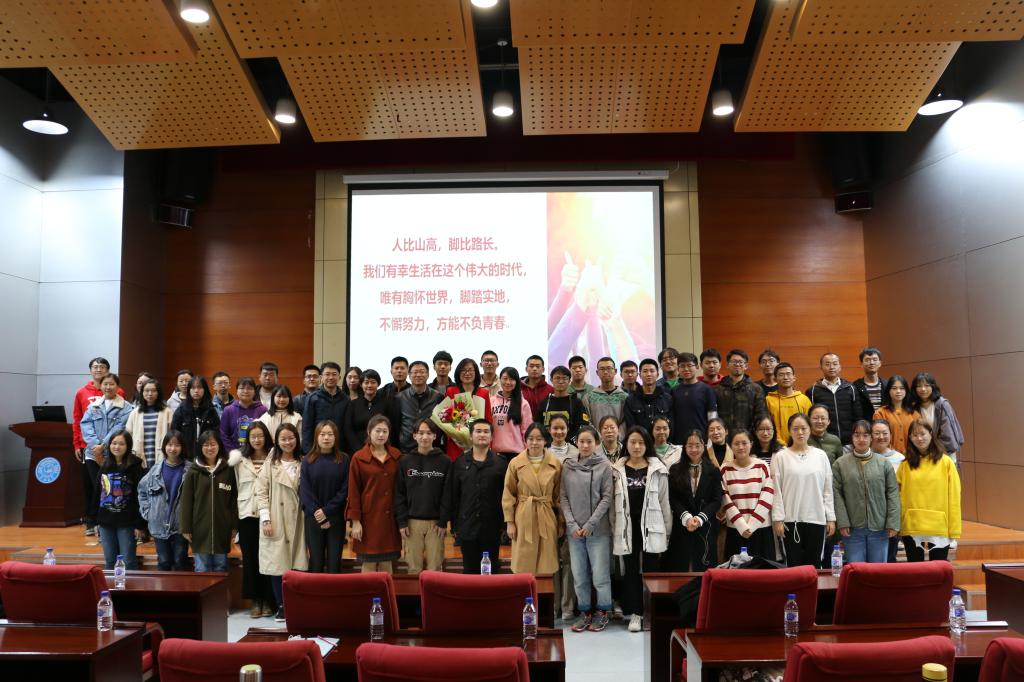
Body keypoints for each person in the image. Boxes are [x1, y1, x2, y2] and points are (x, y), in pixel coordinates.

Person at [612, 426, 671, 632]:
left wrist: (667, 531)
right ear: (626, 444)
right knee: (630, 571)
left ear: (647, 445)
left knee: (651, 570)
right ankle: (635, 613)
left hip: (652, 527)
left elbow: (664, 502)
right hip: (626, 528)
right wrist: (614, 529)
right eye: (633, 442)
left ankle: (651, 613)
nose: (637, 446)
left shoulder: (658, 469)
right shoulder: (616, 470)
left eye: (641, 442)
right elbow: (612, 506)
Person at [560, 425, 614, 633]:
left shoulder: (604, 466)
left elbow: (607, 498)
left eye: (589, 441)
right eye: (581, 441)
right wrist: (572, 524)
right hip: (574, 531)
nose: (584, 445)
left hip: (598, 530)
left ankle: (603, 611)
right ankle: (585, 611)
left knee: (600, 575)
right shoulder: (568, 465)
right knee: (579, 575)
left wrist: (591, 524)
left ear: (596, 444)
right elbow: (563, 496)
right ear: (576, 443)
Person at [440, 420, 507, 574]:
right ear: (471, 436)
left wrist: (504, 524)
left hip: (492, 528)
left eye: (486, 431)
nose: (482, 434)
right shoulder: (459, 463)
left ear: (492, 436)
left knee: (491, 571)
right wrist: (455, 526)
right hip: (467, 527)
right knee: (469, 571)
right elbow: (454, 496)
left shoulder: (501, 464)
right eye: (478, 431)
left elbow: (506, 496)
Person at [771, 413, 836, 568]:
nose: (800, 432)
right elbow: (776, 490)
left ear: (809, 430)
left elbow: (827, 490)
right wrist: (778, 519)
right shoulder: (781, 457)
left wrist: (830, 518)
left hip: (816, 518)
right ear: (789, 431)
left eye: (803, 428)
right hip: (790, 520)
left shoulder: (821, 456)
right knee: (793, 565)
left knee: (814, 565)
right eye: (795, 429)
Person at [256, 423, 306, 622]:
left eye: (291, 438)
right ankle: (281, 606)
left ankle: (296, 604)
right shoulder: (271, 463)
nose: (287, 442)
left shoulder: (304, 462)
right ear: (277, 441)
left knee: (298, 563)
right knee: (277, 564)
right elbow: (261, 491)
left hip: (299, 519)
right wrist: (266, 519)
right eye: (283, 439)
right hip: (276, 517)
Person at [832, 420, 900, 564]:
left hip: (880, 527)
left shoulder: (883, 463)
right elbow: (837, 495)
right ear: (852, 438)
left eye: (865, 435)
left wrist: (893, 522)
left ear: (871, 438)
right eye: (857, 435)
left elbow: (892, 493)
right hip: (852, 529)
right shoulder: (840, 464)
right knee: (856, 570)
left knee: (878, 572)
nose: (861, 439)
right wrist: (842, 522)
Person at [229, 421, 275, 618]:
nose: (257, 440)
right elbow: (235, 490)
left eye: (260, 436)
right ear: (247, 439)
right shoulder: (239, 460)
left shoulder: (274, 458)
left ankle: (269, 600)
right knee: (250, 560)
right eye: (253, 436)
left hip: (269, 516)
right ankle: (255, 601)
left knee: (268, 559)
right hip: (246, 515)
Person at [897, 420, 961, 562]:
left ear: (931, 434)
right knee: (915, 570)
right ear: (910, 438)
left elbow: (954, 497)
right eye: (915, 435)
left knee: (937, 570)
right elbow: (897, 496)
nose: (919, 438)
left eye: (922, 434)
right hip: (912, 525)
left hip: (939, 526)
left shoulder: (946, 462)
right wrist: (898, 525)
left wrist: (954, 528)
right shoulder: (905, 465)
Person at [503, 423, 562, 577]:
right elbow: (508, 494)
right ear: (525, 440)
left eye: (539, 439)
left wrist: (561, 522)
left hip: (546, 514)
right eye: (530, 438)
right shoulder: (515, 463)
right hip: (523, 515)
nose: (534, 442)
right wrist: (510, 522)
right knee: (523, 563)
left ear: (545, 441)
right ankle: (524, 591)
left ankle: (543, 592)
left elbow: (559, 496)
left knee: (546, 563)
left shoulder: (555, 463)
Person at [80, 373, 135, 536]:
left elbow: (119, 428)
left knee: (110, 488)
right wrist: (95, 446)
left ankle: (108, 523)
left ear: (117, 386)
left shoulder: (126, 407)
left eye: (111, 384)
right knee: (96, 488)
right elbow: (85, 425)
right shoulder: (94, 406)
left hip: (114, 455)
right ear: (101, 386)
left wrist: (103, 446)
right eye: (105, 384)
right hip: (92, 454)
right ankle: (94, 522)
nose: (108, 387)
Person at [347, 415, 402, 572]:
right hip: (368, 520)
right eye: (377, 431)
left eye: (385, 431)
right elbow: (353, 491)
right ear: (369, 431)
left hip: (390, 519)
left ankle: (387, 591)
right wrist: (355, 521)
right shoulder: (358, 458)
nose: (381, 435)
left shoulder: (397, 456)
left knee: (387, 565)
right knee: (369, 565)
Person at [395, 420, 449, 574]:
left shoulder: (445, 461)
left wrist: (443, 521)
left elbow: (447, 494)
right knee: (413, 569)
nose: (424, 437)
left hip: (436, 524)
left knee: (435, 569)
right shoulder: (405, 461)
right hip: (412, 523)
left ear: (435, 436)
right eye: (421, 433)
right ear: (414, 436)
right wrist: (402, 522)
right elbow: (399, 493)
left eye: (429, 433)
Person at [180, 430, 237, 572]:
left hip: (222, 529)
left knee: (221, 566)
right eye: (205, 445)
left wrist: (234, 526)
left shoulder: (228, 470)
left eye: (213, 444)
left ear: (219, 446)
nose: (210, 448)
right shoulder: (193, 471)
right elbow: (186, 502)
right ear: (200, 447)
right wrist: (186, 528)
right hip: (199, 530)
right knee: (202, 569)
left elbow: (234, 500)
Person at [666, 429, 722, 571]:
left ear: (704, 446)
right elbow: (672, 498)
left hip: (706, 525)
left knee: (704, 568)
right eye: (690, 446)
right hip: (682, 524)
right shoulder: (675, 470)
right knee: (680, 567)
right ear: (684, 447)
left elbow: (716, 500)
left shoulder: (713, 470)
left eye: (697, 445)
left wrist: (700, 518)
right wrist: (686, 517)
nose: (694, 449)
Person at [300, 421, 349, 573]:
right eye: (322, 434)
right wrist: (318, 512)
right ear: (316, 437)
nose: (326, 438)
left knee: (334, 563)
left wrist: (327, 511)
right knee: (316, 562)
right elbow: (305, 491)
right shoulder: (307, 460)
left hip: (336, 517)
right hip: (313, 517)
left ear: (336, 437)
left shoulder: (344, 459)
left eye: (330, 434)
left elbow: (345, 489)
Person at [139, 431, 191, 571]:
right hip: (158, 525)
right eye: (169, 444)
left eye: (177, 445)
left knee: (181, 562)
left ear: (182, 447)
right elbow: (142, 491)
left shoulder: (190, 470)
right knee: (163, 562)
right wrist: (147, 512)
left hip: (181, 526)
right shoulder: (155, 470)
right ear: (164, 446)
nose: (173, 448)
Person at [720, 429, 775, 560]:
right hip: (736, 530)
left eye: (744, 443)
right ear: (730, 446)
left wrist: (752, 525)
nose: (741, 447)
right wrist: (741, 525)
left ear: (751, 444)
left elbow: (767, 496)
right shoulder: (725, 469)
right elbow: (725, 499)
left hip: (761, 529)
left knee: (763, 570)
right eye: (736, 443)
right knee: (737, 571)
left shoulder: (762, 466)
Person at [96, 430, 146, 569]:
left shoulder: (135, 467)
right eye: (114, 443)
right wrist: (95, 520)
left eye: (121, 444)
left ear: (128, 446)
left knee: (128, 561)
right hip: (106, 522)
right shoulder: (104, 466)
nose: (117, 447)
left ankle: (130, 584)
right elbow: (97, 494)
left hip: (127, 523)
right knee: (110, 561)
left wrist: (139, 524)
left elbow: (140, 497)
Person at [545, 415, 577, 621]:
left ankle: (568, 607)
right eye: (555, 428)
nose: (558, 432)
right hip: (549, 512)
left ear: (567, 429)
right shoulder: (543, 453)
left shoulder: (576, 452)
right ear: (549, 430)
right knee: (552, 561)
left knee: (569, 561)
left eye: (562, 428)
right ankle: (554, 605)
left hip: (572, 511)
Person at [908, 372, 965, 466]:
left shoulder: (942, 404)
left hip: (943, 451)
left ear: (933, 387)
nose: (923, 389)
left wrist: (935, 450)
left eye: (927, 385)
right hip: (923, 452)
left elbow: (947, 433)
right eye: (919, 386)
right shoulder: (914, 407)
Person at [805, 353, 863, 445]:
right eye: (827, 364)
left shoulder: (851, 388)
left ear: (840, 367)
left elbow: (858, 417)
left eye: (835, 364)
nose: (831, 367)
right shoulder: (812, 391)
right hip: (824, 442)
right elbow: (809, 418)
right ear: (821, 367)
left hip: (849, 442)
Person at [870, 419, 907, 563]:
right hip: (869, 516)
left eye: (885, 433)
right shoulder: (864, 456)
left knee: (890, 558)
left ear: (891, 435)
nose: (881, 437)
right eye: (876, 433)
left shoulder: (900, 459)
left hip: (891, 515)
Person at [443, 358, 495, 459]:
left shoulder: (483, 393)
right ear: (458, 372)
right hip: (456, 444)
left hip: (479, 443)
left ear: (476, 373)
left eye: (470, 370)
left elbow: (488, 419)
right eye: (463, 370)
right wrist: (456, 436)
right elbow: (445, 417)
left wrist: (486, 440)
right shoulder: (451, 391)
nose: (467, 373)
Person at [714, 349, 767, 433]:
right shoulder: (717, 389)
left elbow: (760, 416)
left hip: (748, 437)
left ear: (746, 366)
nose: (737, 364)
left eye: (740, 362)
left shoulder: (756, 389)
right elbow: (714, 416)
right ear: (727, 365)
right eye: (734, 362)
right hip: (723, 436)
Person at [668, 353, 717, 441]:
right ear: (678, 369)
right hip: (678, 440)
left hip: (701, 439)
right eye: (682, 366)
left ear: (697, 367)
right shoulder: (674, 391)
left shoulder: (707, 390)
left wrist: (711, 439)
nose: (686, 369)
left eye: (689, 365)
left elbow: (712, 417)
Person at [302, 362, 349, 453]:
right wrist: (308, 451)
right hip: (318, 448)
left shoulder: (345, 399)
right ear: (321, 377)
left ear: (339, 377)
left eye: (334, 374)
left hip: (340, 449)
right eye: (327, 374)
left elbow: (347, 427)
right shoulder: (313, 398)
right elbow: (307, 427)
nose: (331, 377)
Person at [397, 360, 444, 452]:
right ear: (409, 375)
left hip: (431, 448)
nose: (418, 375)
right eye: (415, 372)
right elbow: (396, 425)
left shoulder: (438, 397)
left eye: (422, 372)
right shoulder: (399, 398)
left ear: (428, 375)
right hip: (406, 449)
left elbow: (441, 425)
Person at [125, 379, 172, 470]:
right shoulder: (135, 412)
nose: (150, 394)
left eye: (153, 391)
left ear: (158, 393)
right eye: (146, 391)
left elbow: (172, 435)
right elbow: (128, 434)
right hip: (139, 457)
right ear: (142, 392)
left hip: (161, 456)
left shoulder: (167, 412)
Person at [171, 376, 220, 462]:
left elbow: (217, 433)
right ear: (189, 390)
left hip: (207, 455)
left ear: (205, 390)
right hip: (186, 456)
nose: (196, 391)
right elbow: (175, 432)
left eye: (199, 387)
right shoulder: (182, 409)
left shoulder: (211, 410)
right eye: (193, 388)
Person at [538, 365, 590, 444]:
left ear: (569, 381)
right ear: (551, 380)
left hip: (571, 447)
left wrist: (569, 443)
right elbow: (538, 426)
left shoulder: (576, 403)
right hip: (548, 447)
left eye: (564, 378)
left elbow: (582, 426)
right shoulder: (544, 403)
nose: (561, 381)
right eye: (557, 378)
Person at [491, 367, 532, 458]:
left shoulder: (523, 403)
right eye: (505, 378)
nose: (508, 382)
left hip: (517, 454)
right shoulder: (491, 401)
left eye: (512, 379)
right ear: (499, 380)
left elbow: (527, 431)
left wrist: (528, 453)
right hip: (495, 453)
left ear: (516, 382)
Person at [766, 362, 811, 445]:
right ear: (775, 379)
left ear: (794, 378)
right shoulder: (768, 400)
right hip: (776, 447)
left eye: (788, 374)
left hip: (801, 445)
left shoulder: (804, 400)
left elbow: (810, 425)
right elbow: (767, 426)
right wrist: (780, 444)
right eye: (781, 375)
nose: (785, 377)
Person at [873, 375, 919, 455]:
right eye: (894, 388)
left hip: (911, 456)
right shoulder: (880, 413)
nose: (898, 391)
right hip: (888, 456)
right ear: (888, 391)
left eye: (902, 388)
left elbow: (918, 436)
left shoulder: (914, 414)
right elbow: (878, 438)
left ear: (906, 391)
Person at [623, 359, 672, 433]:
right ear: (640, 375)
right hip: (639, 440)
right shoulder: (631, 400)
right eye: (645, 371)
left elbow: (671, 425)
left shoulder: (667, 398)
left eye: (652, 371)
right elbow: (631, 426)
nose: (649, 374)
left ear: (657, 374)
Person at [220, 377, 267, 451]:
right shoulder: (228, 410)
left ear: (254, 391)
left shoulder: (262, 410)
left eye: (249, 388)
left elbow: (266, 434)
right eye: (242, 388)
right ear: (237, 391)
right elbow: (224, 435)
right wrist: (233, 453)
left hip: (257, 452)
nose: (245, 391)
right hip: (234, 453)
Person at [588, 356, 628, 431]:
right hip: (596, 438)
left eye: (609, 368)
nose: (606, 372)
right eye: (602, 369)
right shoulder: (589, 397)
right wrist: (596, 436)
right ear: (597, 372)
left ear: (615, 371)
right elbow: (587, 421)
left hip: (619, 437)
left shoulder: (625, 397)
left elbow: (626, 421)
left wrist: (618, 435)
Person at [853, 347, 886, 418]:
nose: (871, 363)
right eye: (867, 360)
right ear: (861, 364)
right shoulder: (854, 387)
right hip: (865, 424)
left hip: (884, 424)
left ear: (880, 363)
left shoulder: (887, 385)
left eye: (875, 359)